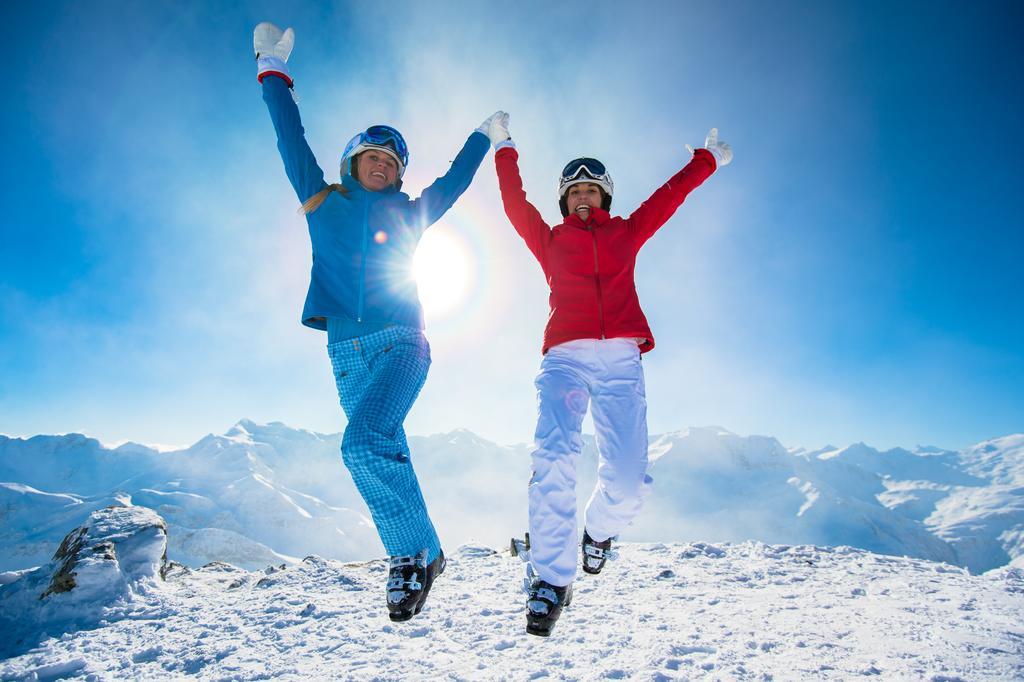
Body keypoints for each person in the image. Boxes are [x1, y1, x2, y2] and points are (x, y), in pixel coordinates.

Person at [254, 22, 504, 622]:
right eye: (372, 157)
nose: (382, 167)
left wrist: (482, 137)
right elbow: (291, 141)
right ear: (352, 162)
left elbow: (453, 183)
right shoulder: (323, 201)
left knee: (361, 444)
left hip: (401, 345)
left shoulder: (414, 213)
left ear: (398, 174)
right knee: (380, 448)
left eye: (391, 163)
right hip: (344, 351)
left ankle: (410, 555)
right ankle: (423, 554)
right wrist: (272, 71)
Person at [488, 115, 732, 636]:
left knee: (626, 479)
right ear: (563, 199)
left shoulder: (625, 233)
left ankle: (597, 534)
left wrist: (705, 161)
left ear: (605, 198)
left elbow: (667, 199)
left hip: (621, 360)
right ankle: (551, 580)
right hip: (565, 358)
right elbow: (514, 206)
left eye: (592, 190)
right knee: (554, 455)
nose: (583, 196)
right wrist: (504, 147)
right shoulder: (550, 240)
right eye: (574, 189)